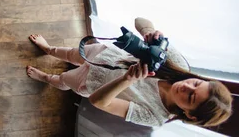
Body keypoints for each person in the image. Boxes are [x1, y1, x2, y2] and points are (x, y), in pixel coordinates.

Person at [26, 17, 232, 128]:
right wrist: (149, 32)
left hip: (90, 83)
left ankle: (46, 78)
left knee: (63, 79)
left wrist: (128, 79)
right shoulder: (179, 67)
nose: (186, 86)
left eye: (191, 96)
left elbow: (99, 102)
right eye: (196, 84)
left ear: (190, 115)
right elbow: (139, 20)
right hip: (103, 55)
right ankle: (49, 50)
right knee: (71, 53)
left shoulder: (155, 116)